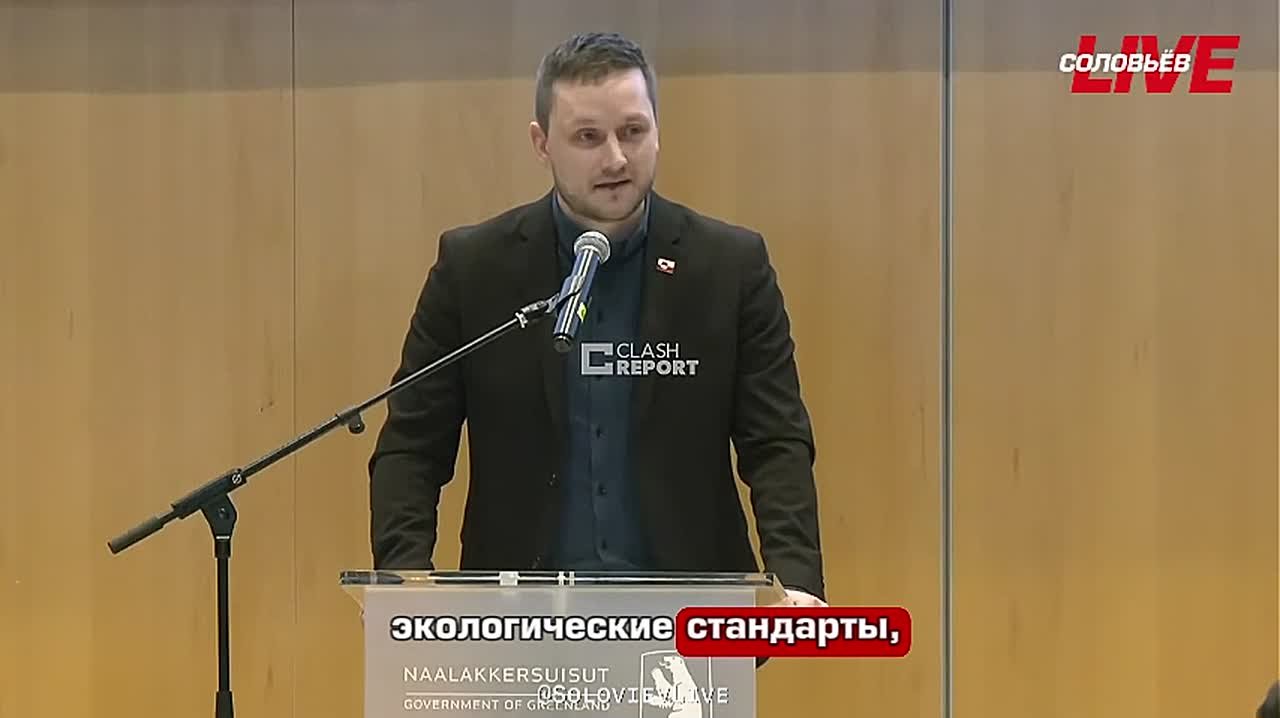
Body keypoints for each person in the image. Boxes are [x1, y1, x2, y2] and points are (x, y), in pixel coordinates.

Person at [367, 31, 825, 608]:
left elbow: (776, 442)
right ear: (542, 144)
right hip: (518, 621)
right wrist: (404, 581)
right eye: (588, 137)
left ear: (657, 130)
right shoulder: (475, 269)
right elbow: (412, 446)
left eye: (632, 131)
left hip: (692, 615)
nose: (615, 159)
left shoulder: (729, 267)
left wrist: (796, 582)